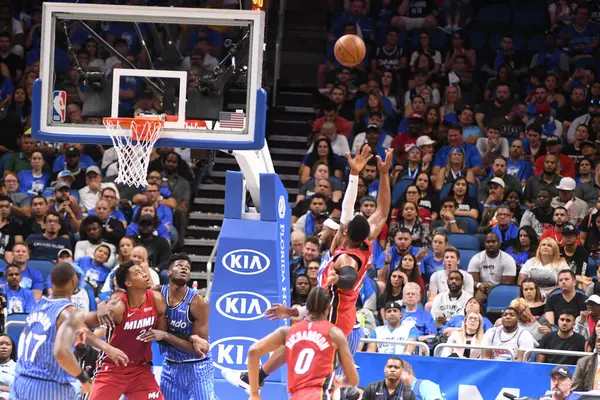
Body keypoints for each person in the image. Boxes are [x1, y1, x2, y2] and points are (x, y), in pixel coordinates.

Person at [226, 146, 393, 391]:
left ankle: (255, 379)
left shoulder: (346, 258)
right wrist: (384, 173)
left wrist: (339, 280)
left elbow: (347, 275)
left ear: (344, 231)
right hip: (340, 316)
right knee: (298, 342)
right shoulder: (363, 242)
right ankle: (254, 378)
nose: (325, 229)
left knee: (325, 381)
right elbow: (382, 211)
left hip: (337, 319)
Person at [10, 262, 123, 399]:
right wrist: (83, 378)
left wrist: (106, 348)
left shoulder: (39, 304)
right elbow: (61, 351)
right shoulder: (71, 312)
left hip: (20, 381)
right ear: (75, 281)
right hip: (48, 387)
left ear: (51, 281)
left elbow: (81, 330)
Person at [246, 288, 359, 400]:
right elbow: (353, 380)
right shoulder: (334, 333)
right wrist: (339, 381)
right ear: (328, 309)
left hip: (296, 396)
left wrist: (254, 394)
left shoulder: (287, 332)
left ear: (307, 308)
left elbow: (253, 351)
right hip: (320, 395)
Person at [85, 260, 170, 400]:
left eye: (143, 271)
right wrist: (107, 348)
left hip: (141, 370)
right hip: (113, 369)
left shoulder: (157, 300)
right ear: (128, 283)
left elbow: (162, 332)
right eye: (138, 273)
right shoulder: (117, 307)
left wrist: (164, 334)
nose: (144, 274)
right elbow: (80, 326)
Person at [152, 254, 215, 400]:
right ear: (168, 272)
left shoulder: (198, 302)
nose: (184, 269)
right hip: (171, 365)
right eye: (179, 266)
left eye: (187, 268)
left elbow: (200, 350)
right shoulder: (157, 293)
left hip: (197, 366)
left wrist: (166, 335)